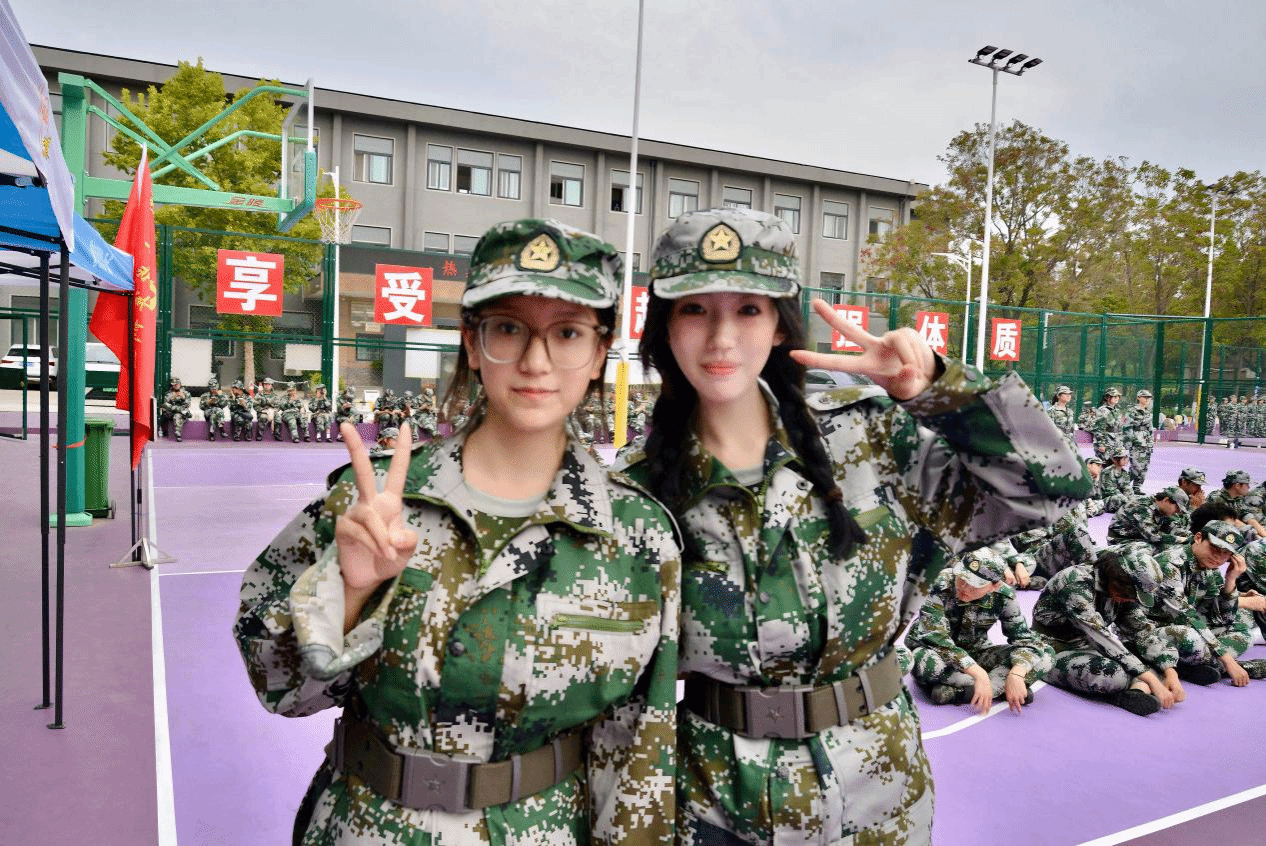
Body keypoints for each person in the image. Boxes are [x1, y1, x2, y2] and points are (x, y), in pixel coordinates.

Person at [617, 208, 1089, 845]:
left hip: (880, 794)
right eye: (695, 310)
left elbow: (1053, 492)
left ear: (780, 324)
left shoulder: (870, 435)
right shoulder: (638, 490)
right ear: (665, 326)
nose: (721, 338)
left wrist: (940, 390)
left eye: (748, 309)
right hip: (718, 806)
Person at [234, 219, 680, 846]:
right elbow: (277, 687)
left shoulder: (637, 538)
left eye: (568, 333)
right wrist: (350, 593)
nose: (536, 362)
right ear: (472, 343)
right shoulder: (373, 503)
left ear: (600, 351)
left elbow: (638, 753)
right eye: (508, 329)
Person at [905, 547, 1053, 714]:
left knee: (1046, 654)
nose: (964, 588)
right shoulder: (939, 584)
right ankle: (999, 688)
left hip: (977, 650)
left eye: (975, 585)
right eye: (962, 579)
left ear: (994, 586)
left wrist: (1017, 674)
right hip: (936, 651)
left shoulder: (1004, 596)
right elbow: (936, 638)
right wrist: (979, 674)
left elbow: (1025, 641)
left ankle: (963, 691)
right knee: (922, 661)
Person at [1032, 547, 1178, 716]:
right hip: (1052, 649)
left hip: (1088, 647)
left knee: (1152, 658)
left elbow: (1141, 631)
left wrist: (1170, 670)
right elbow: (1099, 634)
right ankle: (1127, 691)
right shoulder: (1075, 582)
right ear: (1118, 579)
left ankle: (1136, 692)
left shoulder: (1120, 592)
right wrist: (1151, 679)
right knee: (1112, 674)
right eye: (1130, 593)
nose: (1131, 599)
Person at [1106, 486, 1190, 551]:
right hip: (1121, 541)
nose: (1177, 512)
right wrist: (1180, 539)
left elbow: (1171, 527)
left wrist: (1189, 536)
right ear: (1166, 500)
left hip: (1139, 538)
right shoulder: (1143, 507)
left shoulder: (1162, 510)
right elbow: (1153, 536)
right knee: (1165, 549)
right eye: (1177, 508)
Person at [1123, 389, 1155, 493]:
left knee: (1144, 466)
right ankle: (1123, 484)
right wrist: (1129, 443)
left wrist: (1151, 443)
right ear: (1138, 398)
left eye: (1149, 398)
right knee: (1136, 466)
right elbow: (1127, 426)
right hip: (1136, 441)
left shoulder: (1148, 412)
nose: (1147, 399)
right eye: (1145, 397)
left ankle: (1137, 487)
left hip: (1146, 442)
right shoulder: (1132, 411)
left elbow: (1150, 429)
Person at [1090, 387, 1125, 461]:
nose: (1117, 398)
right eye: (1114, 396)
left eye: (1118, 396)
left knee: (1115, 465)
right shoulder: (1102, 410)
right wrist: (1101, 444)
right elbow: (1097, 429)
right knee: (1105, 464)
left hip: (1116, 443)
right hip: (1106, 442)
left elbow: (1119, 427)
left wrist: (1121, 443)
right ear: (1107, 398)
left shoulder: (1117, 411)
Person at [159, 376, 191, 442]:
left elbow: (187, 404)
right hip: (171, 412)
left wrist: (183, 398)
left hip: (181, 413)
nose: (175, 386)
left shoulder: (186, 393)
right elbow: (165, 404)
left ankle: (178, 434)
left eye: (177, 384)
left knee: (177, 416)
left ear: (180, 384)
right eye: (174, 385)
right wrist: (173, 400)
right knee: (177, 414)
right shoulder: (169, 394)